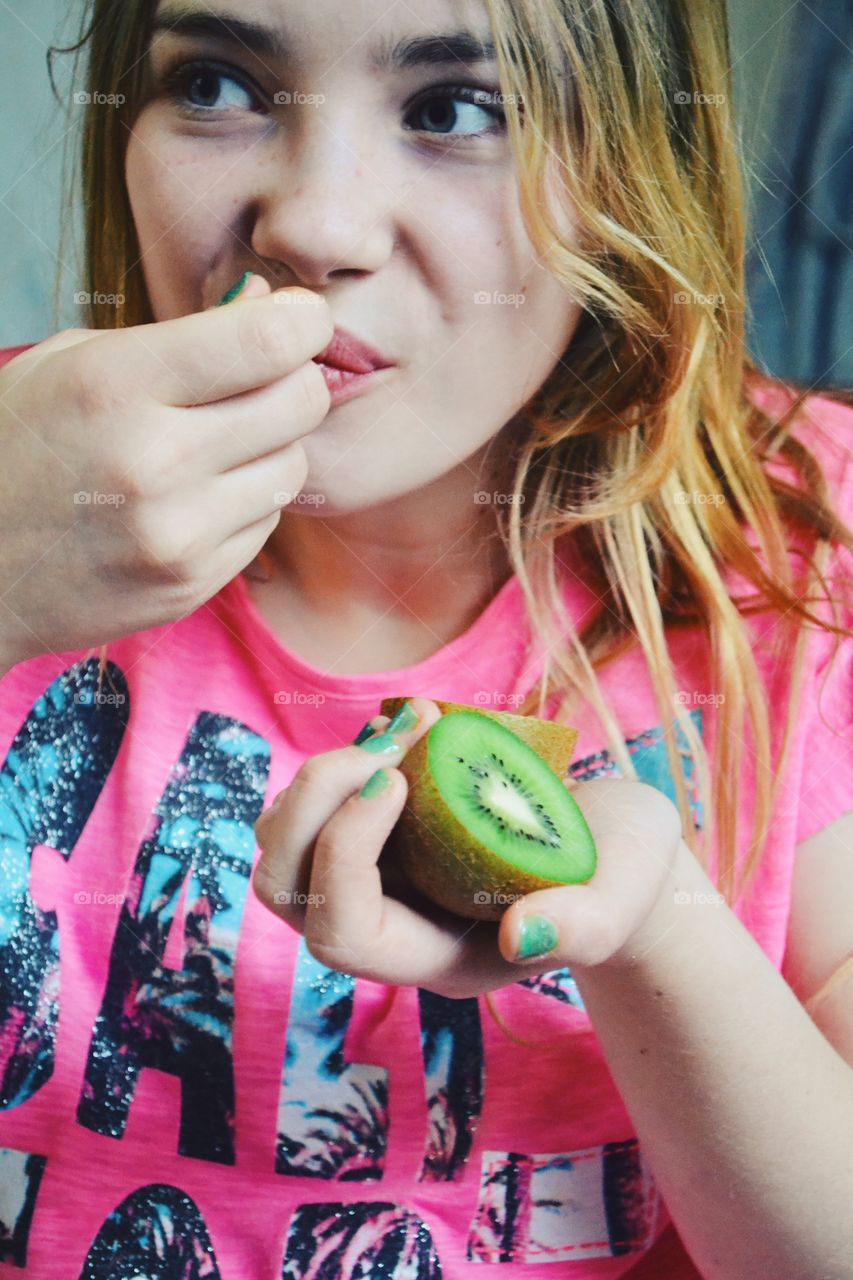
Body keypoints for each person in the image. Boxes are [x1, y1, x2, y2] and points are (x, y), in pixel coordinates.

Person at [0, 0, 850, 1276]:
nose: (313, 225)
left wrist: (652, 926)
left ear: (633, 167)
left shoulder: (805, 555)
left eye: (456, 108)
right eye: (221, 84)